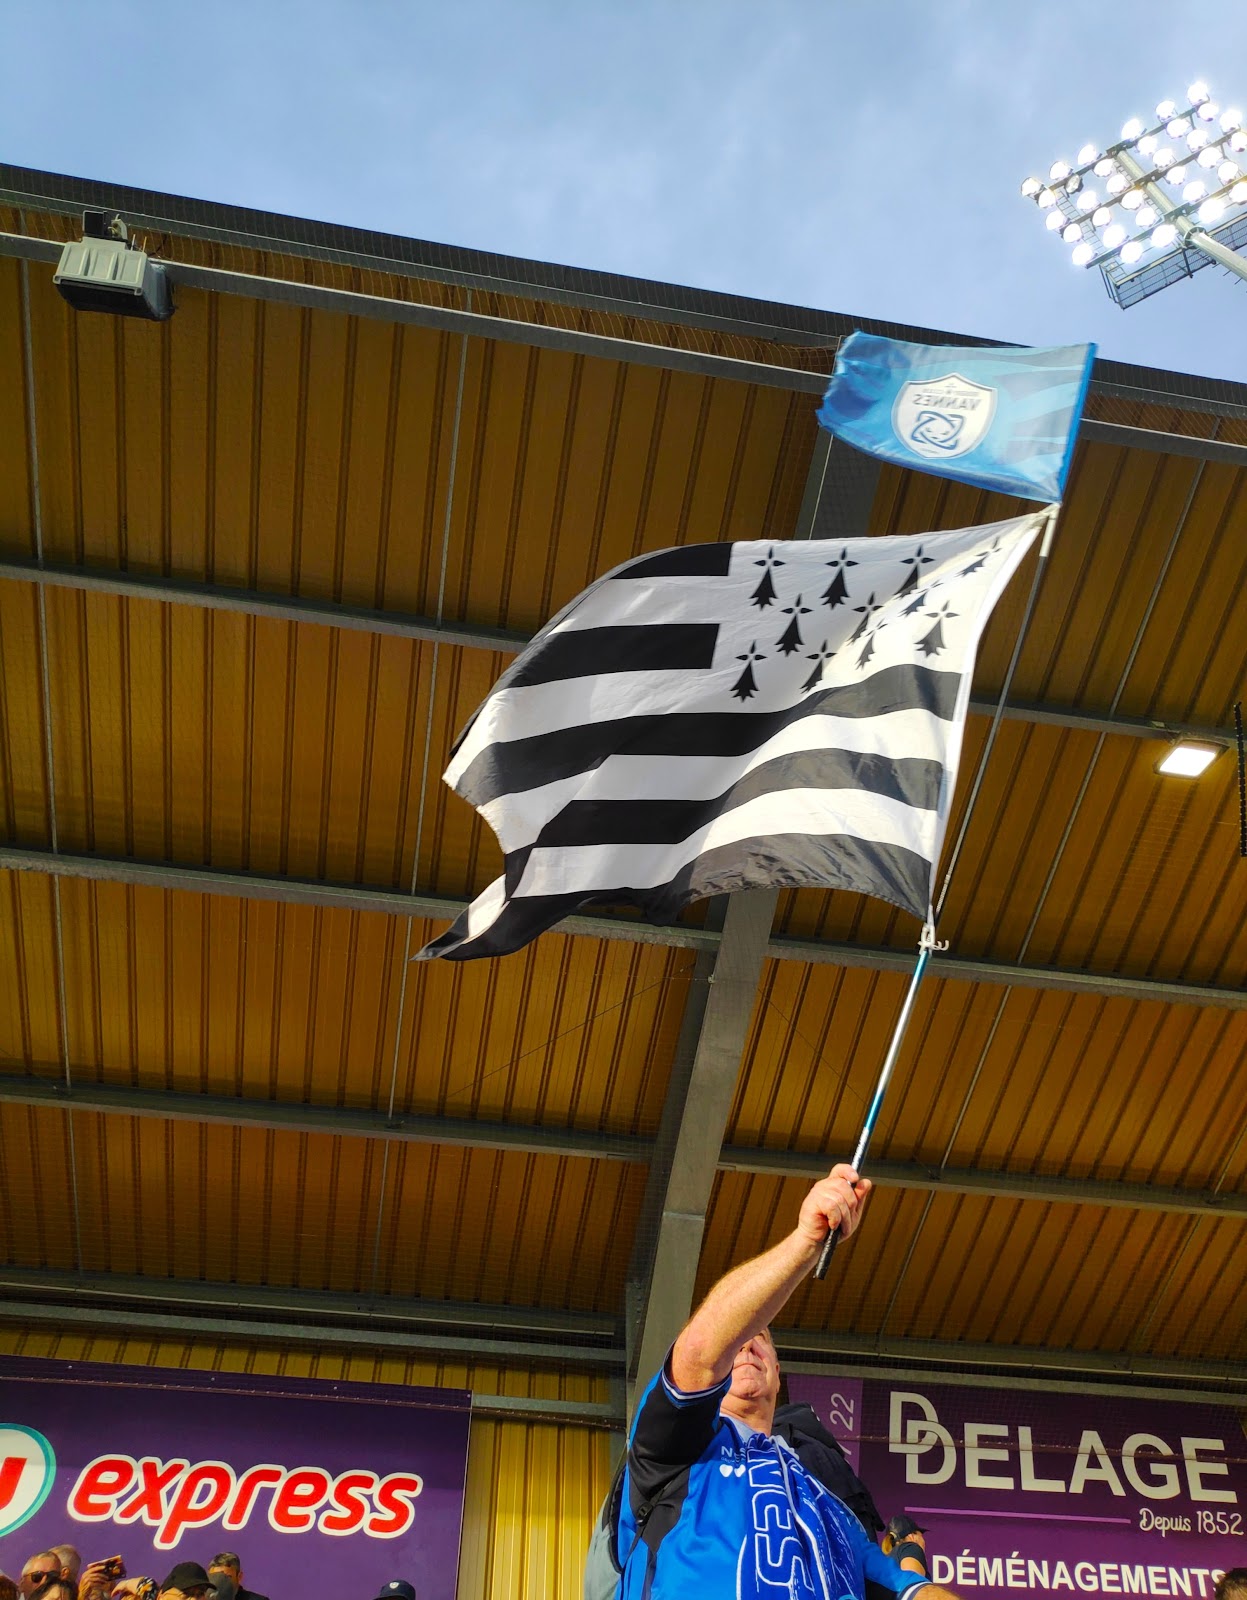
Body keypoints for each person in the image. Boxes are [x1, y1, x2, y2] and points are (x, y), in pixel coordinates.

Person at [617, 1163, 963, 1600]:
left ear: (778, 1371)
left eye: (760, 1339)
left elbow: (913, 1591)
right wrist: (805, 1242)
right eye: (738, 1339)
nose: (746, 1346)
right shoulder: (672, 1452)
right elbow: (701, 1349)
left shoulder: (832, 1509)